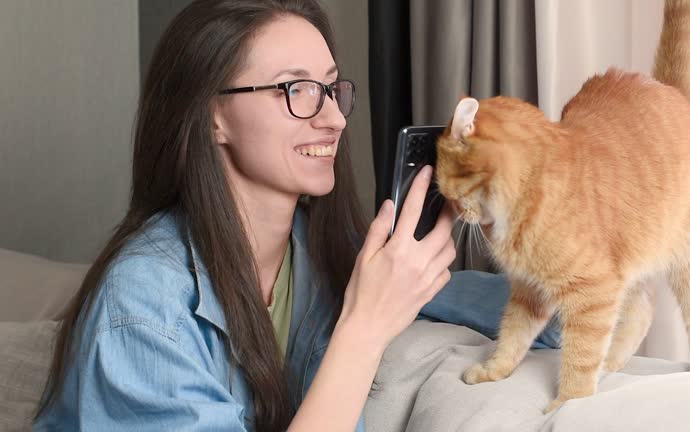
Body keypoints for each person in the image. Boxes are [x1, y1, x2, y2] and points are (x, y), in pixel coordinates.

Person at [33, 1, 559, 430]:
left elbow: (548, 308)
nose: (332, 118)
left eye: (331, 88)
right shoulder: (143, 306)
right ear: (214, 116)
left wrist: (523, 219)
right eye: (296, 90)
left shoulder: (322, 252)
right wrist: (365, 327)